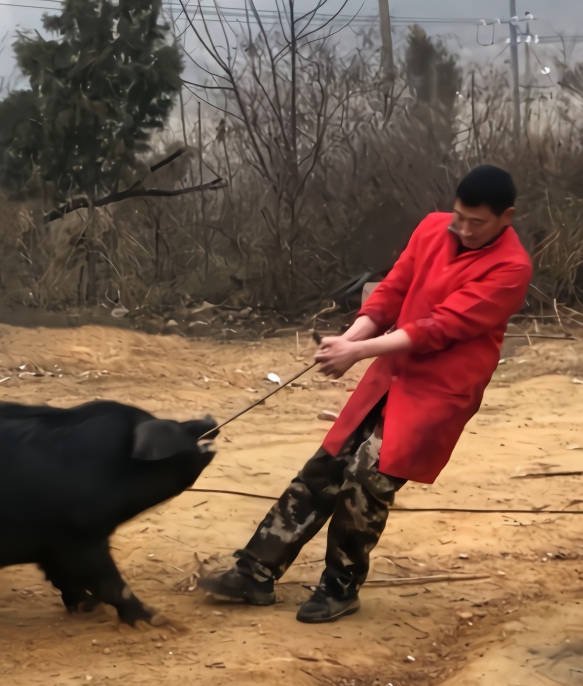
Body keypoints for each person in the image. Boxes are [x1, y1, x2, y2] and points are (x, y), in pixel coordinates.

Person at [200, 165, 533, 624]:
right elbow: (390, 294)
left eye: (477, 222)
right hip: (390, 370)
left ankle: (339, 587)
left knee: (368, 477)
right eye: (460, 216)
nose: (463, 228)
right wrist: (349, 340)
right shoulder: (433, 229)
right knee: (326, 466)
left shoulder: (511, 269)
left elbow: (440, 328)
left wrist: (357, 351)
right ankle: (253, 571)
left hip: (439, 391)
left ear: (506, 217)